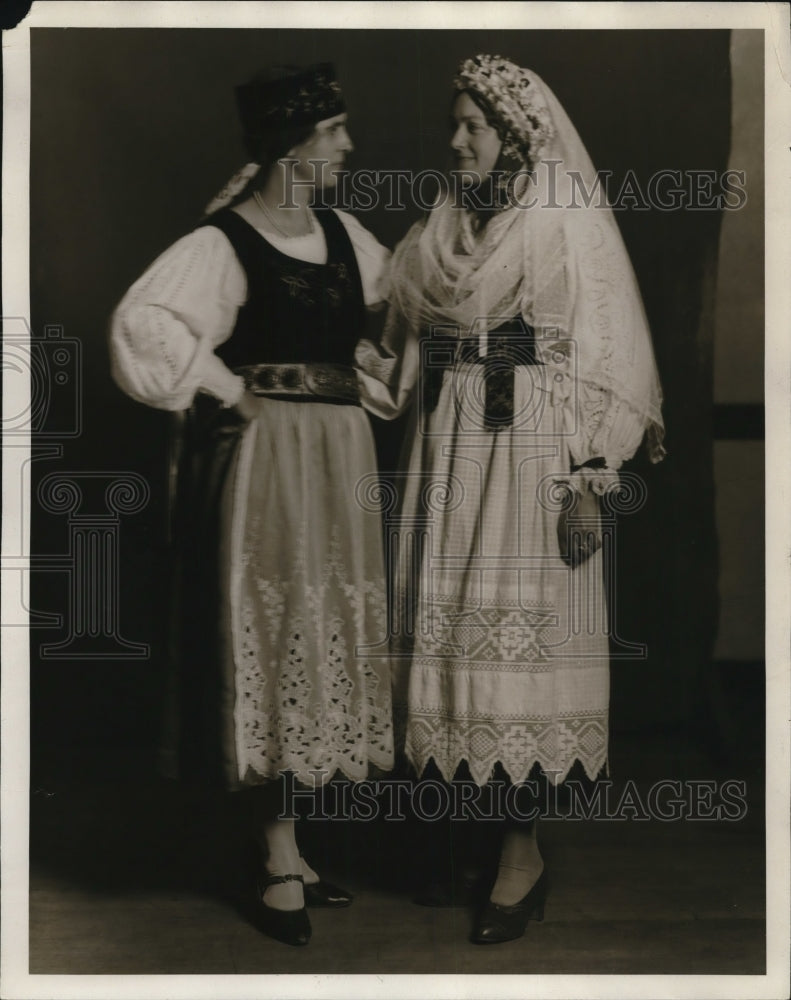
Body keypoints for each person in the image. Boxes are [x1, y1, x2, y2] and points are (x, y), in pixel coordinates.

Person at [356, 54, 665, 944]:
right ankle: (460, 836)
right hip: (446, 444)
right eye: (454, 125)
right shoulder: (442, 222)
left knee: (519, 640)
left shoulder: (561, 220)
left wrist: (589, 478)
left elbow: (605, 353)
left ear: (517, 136)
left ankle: (520, 856)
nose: (457, 141)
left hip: (529, 450)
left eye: (474, 127)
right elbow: (401, 345)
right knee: (449, 632)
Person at [110, 63, 394, 947]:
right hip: (272, 462)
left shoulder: (345, 234)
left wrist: (372, 365)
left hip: (340, 456)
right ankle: (275, 854)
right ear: (291, 146)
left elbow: (395, 314)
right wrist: (229, 390)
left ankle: (293, 844)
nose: (348, 147)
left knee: (324, 628)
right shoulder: (226, 241)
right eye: (334, 132)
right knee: (278, 636)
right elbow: (144, 323)